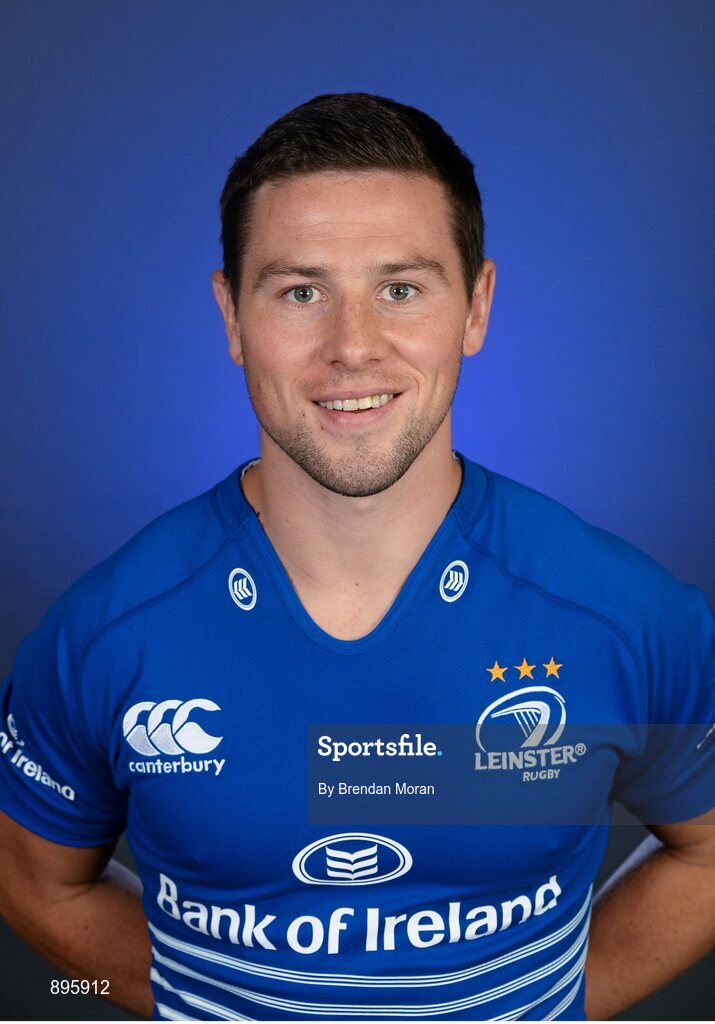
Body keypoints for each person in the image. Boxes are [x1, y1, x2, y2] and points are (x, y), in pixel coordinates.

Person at [0, 91, 713, 1023]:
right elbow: (34, 885)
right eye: (301, 291)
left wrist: (550, 1006)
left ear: (476, 307)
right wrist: (199, 1001)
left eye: (401, 288)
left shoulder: (626, 618)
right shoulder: (105, 636)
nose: (352, 347)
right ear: (230, 315)